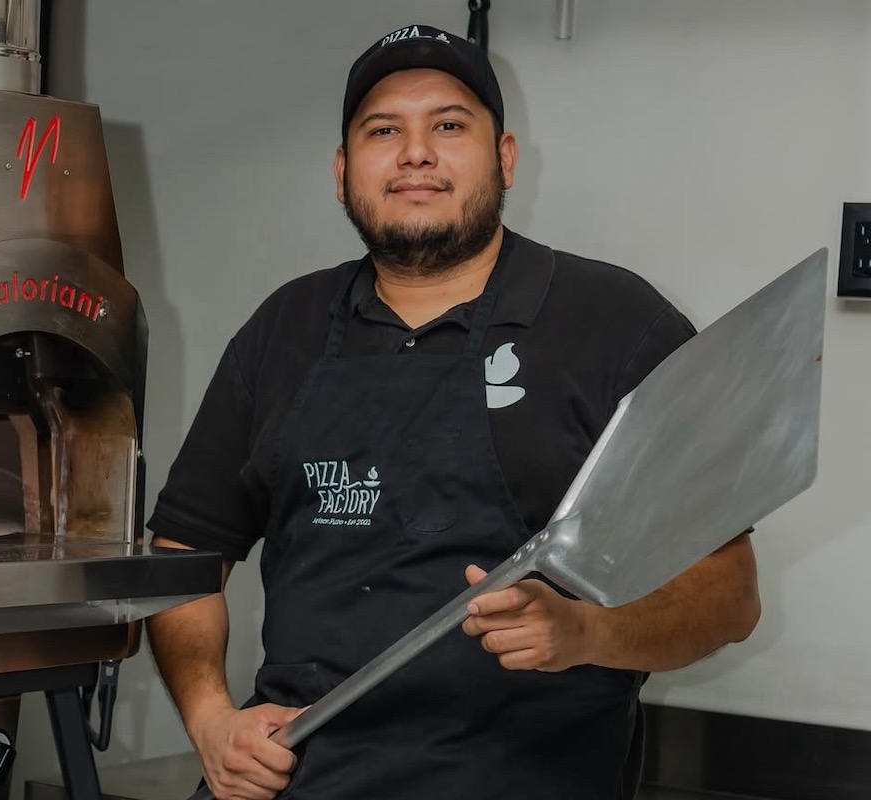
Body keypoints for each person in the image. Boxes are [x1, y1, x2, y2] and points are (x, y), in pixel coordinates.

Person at [145, 23, 760, 800]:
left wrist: (588, 633)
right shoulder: (284, 329)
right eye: (382, 131)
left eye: (448, 124)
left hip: (525, 778)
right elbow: (184, 553)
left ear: (504, 158)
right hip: (299, 780)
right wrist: (208, 720)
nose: (415, 153)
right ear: (343, 173)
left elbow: (730, 591)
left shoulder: (616, 324)